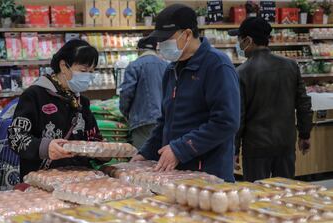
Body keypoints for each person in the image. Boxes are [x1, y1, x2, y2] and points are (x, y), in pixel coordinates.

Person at [131, 4, 240, 182]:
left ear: (187, 34)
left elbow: (226, 121)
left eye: (167, 39)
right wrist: (146, 153)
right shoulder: (171, 70)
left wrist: (180, 149)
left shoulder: (217, 65)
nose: (162, 45)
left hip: (209, 174)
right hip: (175, 174)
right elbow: (165, 121)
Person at [230, 17, 313, 182]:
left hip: (255, 148)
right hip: (285, 144)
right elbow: (303, 103)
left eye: (240, 40)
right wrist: (305, 134)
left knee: (257, 197)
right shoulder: (291, 66)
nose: (239, 45)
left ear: (248, 40)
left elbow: (239, 117)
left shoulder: (241, 72)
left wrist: (234, 150)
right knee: (284, 193)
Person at [8, 39, 102, 180]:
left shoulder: (82, 102)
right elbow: (16, 137)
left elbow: (93, 137)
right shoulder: (35, 95)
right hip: (41, 182)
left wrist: (103, 152)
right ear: (64, 66)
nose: (87, 76)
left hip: (79, 182)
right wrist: (45, 147)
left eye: (91, 71)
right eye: (83, 70)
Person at [119, 38, 168, 150]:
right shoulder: (166, 65)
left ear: (139, 50)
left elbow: (127, 93)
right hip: (165, 119)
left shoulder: (135, 65)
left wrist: (125, 112)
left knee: (143, 161)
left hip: (143, 119)